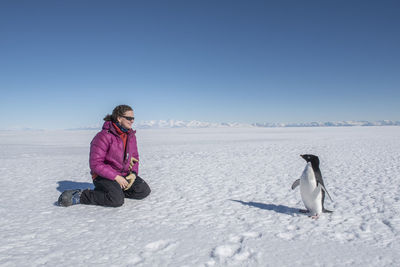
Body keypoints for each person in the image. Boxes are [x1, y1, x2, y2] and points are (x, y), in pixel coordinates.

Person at [58, 104, 151, 207]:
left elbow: (135, 157)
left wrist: (133, 173)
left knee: (143, 190)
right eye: (129, 118)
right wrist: (116, 177)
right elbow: (96, 164)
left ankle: (112, 193)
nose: (132, 121)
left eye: (133, 118)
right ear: (119, 118)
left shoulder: (131, 136)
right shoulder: (103, 136)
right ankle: (81, 195)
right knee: (116, 200)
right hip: (103, 176)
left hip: (123, 174)